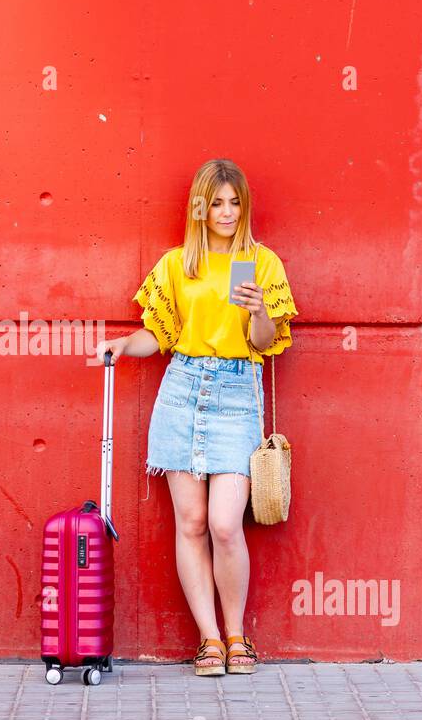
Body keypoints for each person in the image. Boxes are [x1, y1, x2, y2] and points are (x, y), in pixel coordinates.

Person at [94, 158, 298, 676]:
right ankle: (208, 640)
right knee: (192, 522)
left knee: (226, 524)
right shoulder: (178, 264)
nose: (227, 212)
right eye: (217, 203)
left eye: (235, 202)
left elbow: (266, 345)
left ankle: (237, 636)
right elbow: (157, 335)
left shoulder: (263, 263)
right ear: (200, 208)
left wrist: (256, 310)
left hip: (236, 393)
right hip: (183, 388)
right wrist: (122, 344)